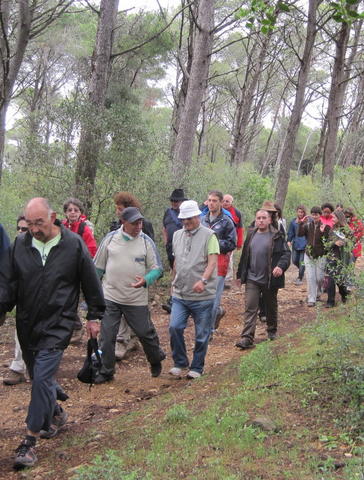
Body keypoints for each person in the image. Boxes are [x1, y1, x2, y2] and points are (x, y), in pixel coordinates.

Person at [0, 197, 105, 468]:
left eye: (39, 223)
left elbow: (90, 280)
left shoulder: (72, 244)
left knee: (41, 378)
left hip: (59, 324)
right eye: (30, 223)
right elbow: (8, 285)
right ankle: (56, 412)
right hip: (27, 324)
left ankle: (30, 441)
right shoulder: (20, 247)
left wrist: (94, 314)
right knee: (39, 377)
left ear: (53, 217)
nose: (34, 229)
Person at [94, 207, 165, 384]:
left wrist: (146, 280)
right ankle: (106, 370)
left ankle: (155, 359)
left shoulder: (146, 241)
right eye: (134, 223)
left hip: (136, 298)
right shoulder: (110, 239)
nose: (138, 226)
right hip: (110, 296)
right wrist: (93, 297)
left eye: (140, 222)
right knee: (107, 336)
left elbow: (158, 269)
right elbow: (97, 268)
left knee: (144, 332)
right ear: (123, 223)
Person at [169, 200, 219, 379]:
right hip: (180, 293)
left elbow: (213, 262)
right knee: (175, 327)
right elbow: (176, 261)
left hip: (203, 296)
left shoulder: (209, 236)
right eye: (183, 219)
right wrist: (172, 282)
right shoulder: (177, 235)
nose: (185, 222)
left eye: (189, 218)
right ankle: (180, 362)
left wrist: (203, 280)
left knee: (201, 334)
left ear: (197, 216)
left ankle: (197, 367)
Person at [235, 209, 290, 349]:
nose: (261, 220)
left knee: (270, 305)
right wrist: (239, 275)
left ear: (270, 220)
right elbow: (245, 255)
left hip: (269, 278)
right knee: (250, 307)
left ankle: (272, 330)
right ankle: (247, 337)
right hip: (252, 278)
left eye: (264, 218)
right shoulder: (251, 234)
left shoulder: (277, 236)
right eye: (258, 218)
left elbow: (286, 254)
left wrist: (280, 267)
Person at [110, 191, 155, 360]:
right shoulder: (115, 226)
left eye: (120, 208)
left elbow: (149, 249)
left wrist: (148, 275)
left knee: (139, 310)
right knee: (121, 307)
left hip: (140, 274)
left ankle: (137, 338)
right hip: (119, 276)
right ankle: (122, 340)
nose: (117, 211)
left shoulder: (145, 225)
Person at [62, 198, 98, 344]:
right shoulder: (61, 227)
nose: (72, 213)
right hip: (64, 269)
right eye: (69, 210)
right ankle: (75, 327)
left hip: (81, 269)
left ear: (80, 213)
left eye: (76, 210)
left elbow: (92, 249)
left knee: (81, 298)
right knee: (66, 298)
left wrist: (81, 260)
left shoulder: (84, 228)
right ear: (65, 212)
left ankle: (89, 325)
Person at [201, 190, 236, 331]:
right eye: (209, 200)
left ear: (221, 203)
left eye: (214, 200)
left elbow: (232, 243)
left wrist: (214, 245)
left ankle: (209, 331)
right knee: (203, 298)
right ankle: (208, 322)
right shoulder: (203, 220)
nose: (211, 203)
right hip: (202, 264)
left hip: (220, 264)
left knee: (213, 299)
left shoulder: (227, 221)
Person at [3, 216, 29, 386]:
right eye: (18, 228)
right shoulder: (14, 248)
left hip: (45, 300)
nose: (20, 232)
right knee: (20, 331)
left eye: (24, 229)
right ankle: (18, 367)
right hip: (23, 298)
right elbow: (8, 277)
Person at [297, 206, 331, 307]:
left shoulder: (325, 226)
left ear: (320, 215)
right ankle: (311, 298)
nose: (314, 216)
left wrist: (322, 232)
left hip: (321, 255)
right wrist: (301, 223)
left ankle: (319, 292)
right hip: (309, 255)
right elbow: (299, 234)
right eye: (313, 214)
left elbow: (327, 240)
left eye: (316, 214)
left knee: (319, 277)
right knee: (311, 277)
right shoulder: (308, 225)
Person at [162, 189, 187, 313]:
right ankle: (175, 300)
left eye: (176, 201)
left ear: (182, 201)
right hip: (170, 247)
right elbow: (164, 228)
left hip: (182, 248)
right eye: (172, 200)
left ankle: (174, 301)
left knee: (178, 272)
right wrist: (166, 242)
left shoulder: (186, 213)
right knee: (174, 272)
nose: (174, 203)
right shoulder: (168, 212)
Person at [325, 209, 353, 308]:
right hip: (331, 257)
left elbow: (351, 244)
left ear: (339, 218)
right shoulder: (332, 230)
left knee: (339, 280)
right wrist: (334, 243)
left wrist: (345, 241)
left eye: (334, 217)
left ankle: (344, 294)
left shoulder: (347, 230)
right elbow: (327, 245)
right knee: (330, 279)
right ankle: (330, 301)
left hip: (342, 258)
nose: (332, 219)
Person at [222, 194, 244, 287]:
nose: (225, 203)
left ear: (231, 202)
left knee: (229, 259)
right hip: (219, 237)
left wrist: (239, 243)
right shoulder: (217, 210)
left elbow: (240, 229)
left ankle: (227, 280)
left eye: (227, 201)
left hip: (231, 239)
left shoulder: (236, 213)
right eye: (223, 201)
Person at [287, 205, 307, 285]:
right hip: (295, 244)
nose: (300, 214)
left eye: (302, 212)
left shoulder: (307, 221)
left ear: (304, 212)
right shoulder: (293, 222)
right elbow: (290, 232)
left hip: (305, 245)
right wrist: (289, 240)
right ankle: (302, 269)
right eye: (299, 212)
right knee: (295, 260)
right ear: (297, 212)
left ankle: (300, 277)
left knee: (302, 262)